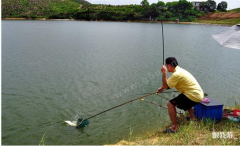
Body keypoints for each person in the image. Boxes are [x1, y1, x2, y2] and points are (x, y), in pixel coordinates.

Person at [157, 57, 204, 133]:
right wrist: (162, 87)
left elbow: (166, 86)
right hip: (198, 95)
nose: (165, 67)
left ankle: (174, 127)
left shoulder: (176, 74)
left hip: (193, 96)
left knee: (170, 104)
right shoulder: (179, 70)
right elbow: (168, 85)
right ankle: (192, 117)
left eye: (166, 65)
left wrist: (164, 73)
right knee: (183, 96)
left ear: (169, 65)